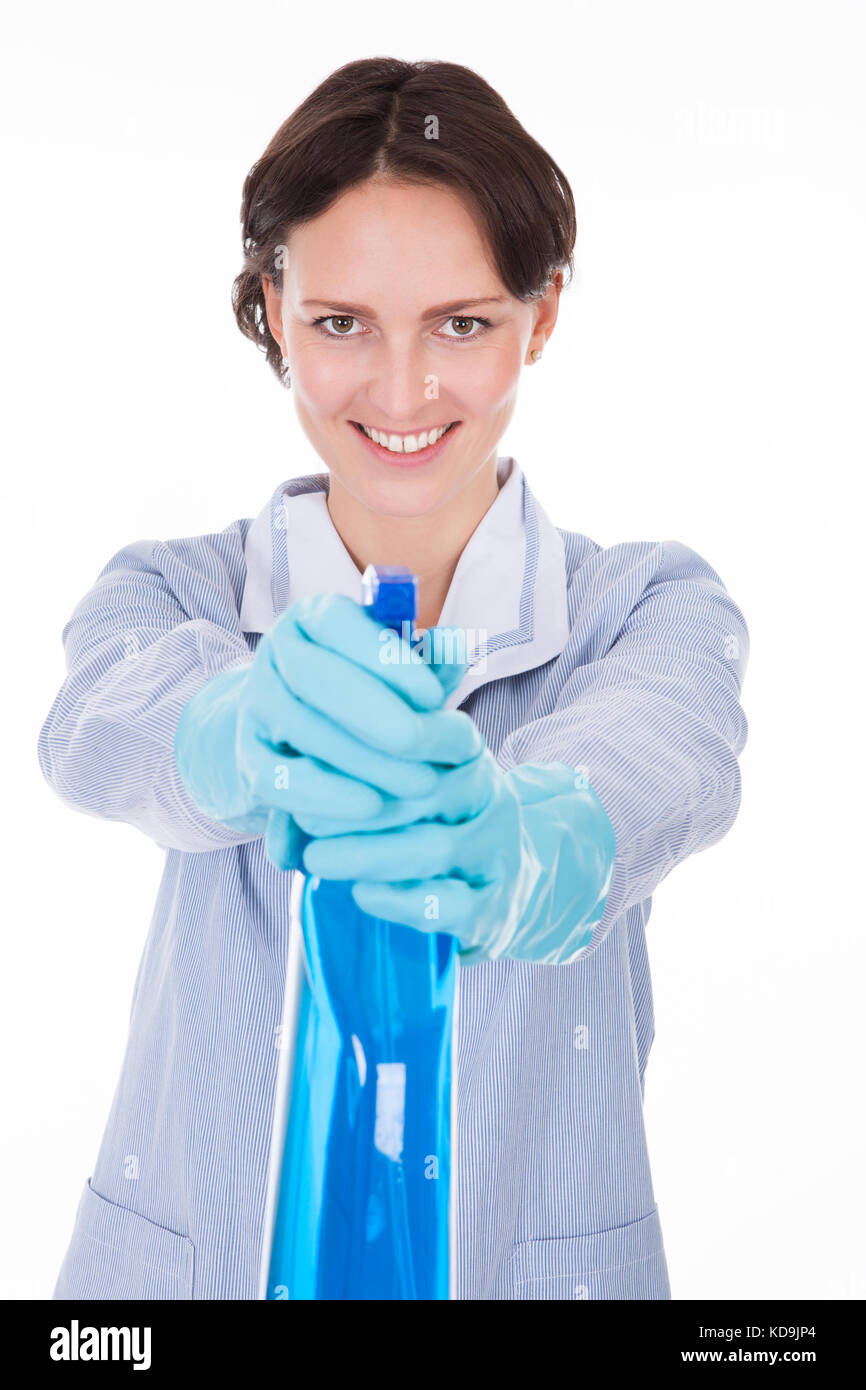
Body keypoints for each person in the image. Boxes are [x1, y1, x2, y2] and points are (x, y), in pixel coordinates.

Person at [38, 56, 749, 1300]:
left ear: (543, 314)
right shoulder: (174, 594)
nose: (405, 390)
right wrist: (236, 735)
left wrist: (525, 840)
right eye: (340, 322)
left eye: (462, 323)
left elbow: (664, 752)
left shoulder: (643, 606)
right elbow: (98, 729)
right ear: (271, 307)